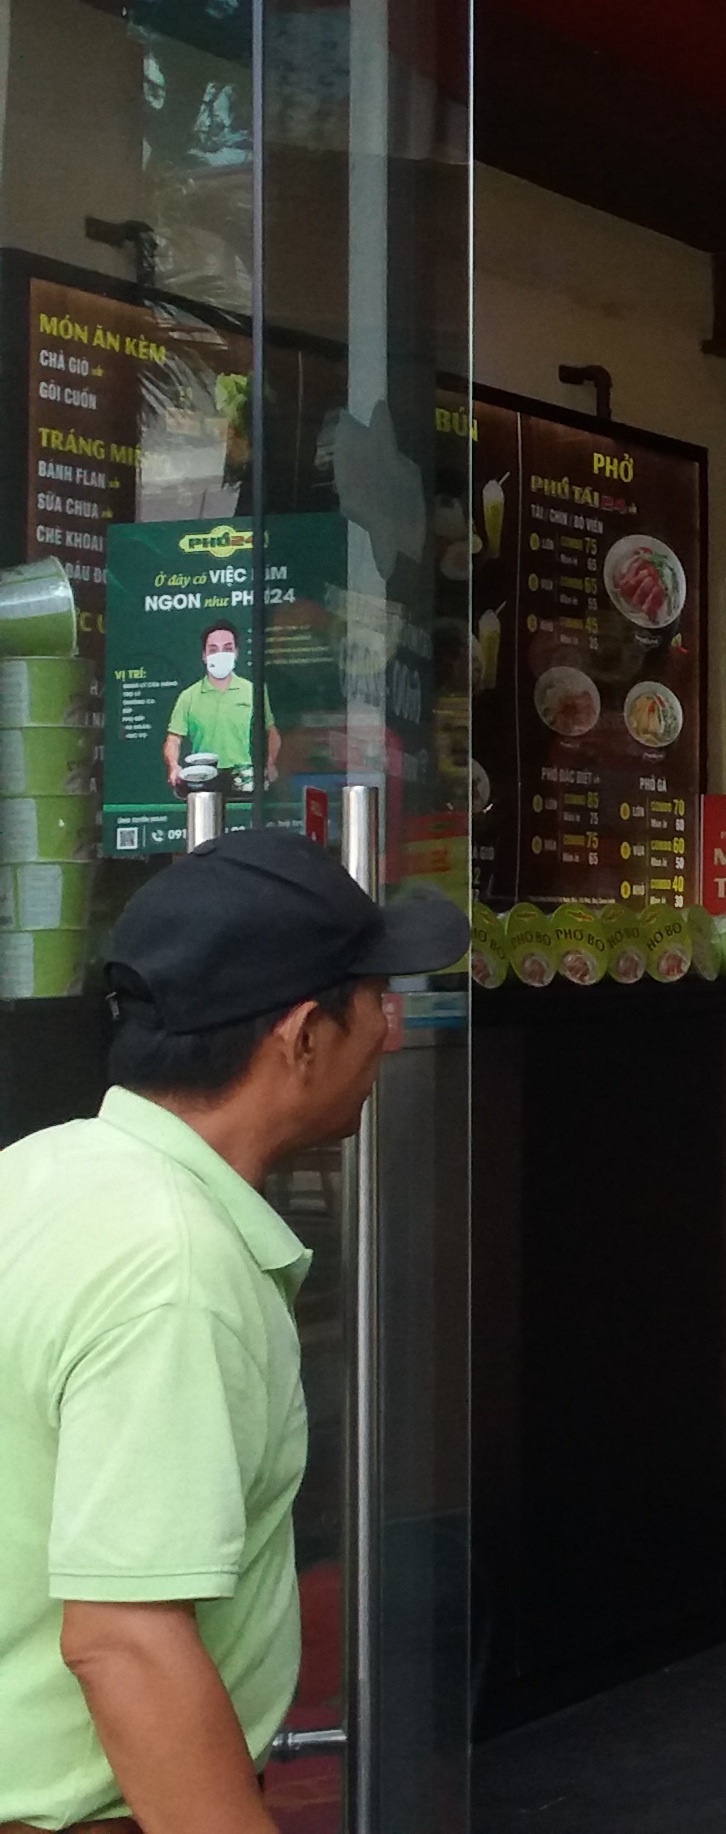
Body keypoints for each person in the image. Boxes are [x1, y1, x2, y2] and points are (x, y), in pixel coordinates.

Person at [1, 828, 463, 1834]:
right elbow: (124, 1643)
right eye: (372, 1002)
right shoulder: (174, 1269)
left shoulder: (37, 1171)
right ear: (301, 1037)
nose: (390, 1034)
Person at [160, 626, 260, 796]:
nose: (220, 655)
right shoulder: (188, 696)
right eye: (213, 650)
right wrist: (173, 766)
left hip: (244, 778)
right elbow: (174, 739)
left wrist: (270, 764)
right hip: (203, 777)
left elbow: (271, 731)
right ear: (204, 656)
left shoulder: (252, 691)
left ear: (236, 653)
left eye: (227, 649)